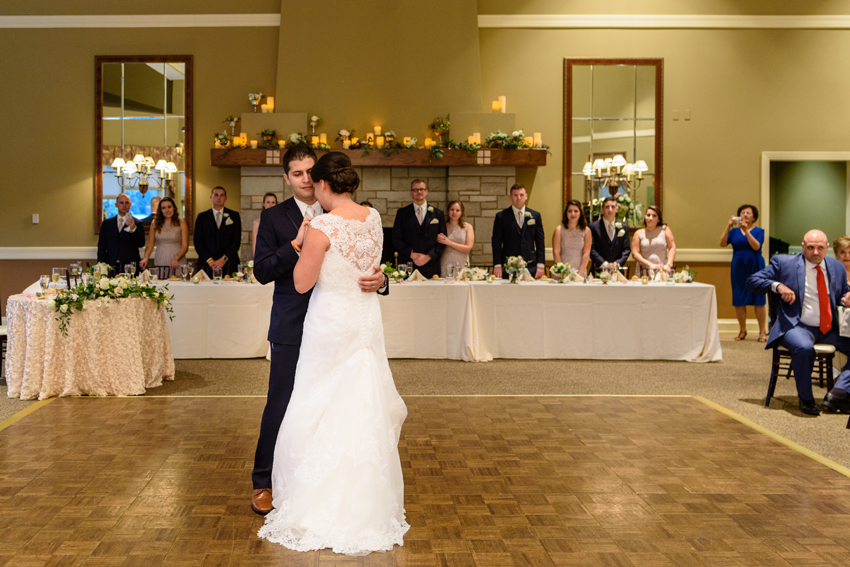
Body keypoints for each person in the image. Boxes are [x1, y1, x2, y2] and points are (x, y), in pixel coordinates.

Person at [257, 152, 407, 555]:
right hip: (353, 324)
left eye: (311, 175)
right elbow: (263, 269)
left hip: (328, 325)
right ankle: (274, 484)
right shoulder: (372, 217)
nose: (306, 181)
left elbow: (306, 282)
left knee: (316, 404)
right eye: (297, 173)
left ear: (323, 183)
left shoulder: (322, 224)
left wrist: (381, 278)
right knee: (350, 403)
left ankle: (316, 497)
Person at [747, 230, 850, 416]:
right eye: (810, 247)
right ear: (803, 247)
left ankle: (838, 393)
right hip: (796, 326)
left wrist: (847, 297)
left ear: (827, 248)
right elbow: (753, 280)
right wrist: (777, 286)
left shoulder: (837, 267)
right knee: (804, 348)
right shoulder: (784, 263)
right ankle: (807, 399)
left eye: (820, 248)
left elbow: (842, 295)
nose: (815, 252)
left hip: (829, 328)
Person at [720, 204, 767, 341]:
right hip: (738, 266)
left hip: (755, 265)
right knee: (739, 298)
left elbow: (756, 246)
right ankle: (742, 330)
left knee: (758, 299)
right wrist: (728, 227)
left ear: (754, 217)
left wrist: (747, 231)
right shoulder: (734, 232)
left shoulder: (759, 231)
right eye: (742, 212)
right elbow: (722, 243)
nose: (745, 214)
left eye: (748, 213)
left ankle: (762, 332)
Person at [391, 179, 446, 279]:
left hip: (431, 265)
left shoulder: (438, 214)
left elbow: (443, 240)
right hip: (408, 265)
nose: (419, 192)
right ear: (411, 193)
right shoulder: (402, 213)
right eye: (416, 190)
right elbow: (396, 238)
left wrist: (428, 257)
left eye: (421, 189)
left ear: (426, 191)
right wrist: (411, 254)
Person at [492, 183, 545, 279]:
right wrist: (497, 264)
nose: (518, 198)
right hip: (508, 266)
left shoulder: (535, 216)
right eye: (515, 195)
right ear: (510, 197)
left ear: (526, 196)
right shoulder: (501, 216)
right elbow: (496, 242)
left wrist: (540, 264)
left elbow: (540, 242)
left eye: (521, 195)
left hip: (531, 265)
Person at [193, 186, 242, 277]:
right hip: (207, 264)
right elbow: (197, 241)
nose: (218, 198)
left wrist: (224, 258)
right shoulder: (202, 217)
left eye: (221, 195)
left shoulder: (234, 216)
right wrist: (210, 260)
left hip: (229, 263)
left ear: (225, 198)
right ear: (211, 197)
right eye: (216, 195)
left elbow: (236, 241)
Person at [97, 193, 146, 274]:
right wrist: (101, 265)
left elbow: (141, 243)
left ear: (130, 205)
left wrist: (134, 229)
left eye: (127, 203)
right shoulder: (107, 223)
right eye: (121, 202)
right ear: (116, 204)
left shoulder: (138, 223)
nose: (124, 205)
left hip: (130, 266)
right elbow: (101, 246)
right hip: (111, 264)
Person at [140, 197, 188, 274]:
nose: (167, 210)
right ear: (161, 210)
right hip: (160, 258)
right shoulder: (154, 223)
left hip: (177, 260)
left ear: (174, 208)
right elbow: (150, 244)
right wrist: (146, 258)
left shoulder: (181, 223)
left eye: (169, 207)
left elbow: (185, 246)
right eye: (163, 208)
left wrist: (176, 258)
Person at [588, 196, 631, 273]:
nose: (610, 209)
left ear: (616, 209)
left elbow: (626, 250)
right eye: (607, 207)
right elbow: (591, 249)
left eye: (613, 207)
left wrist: (616, 264)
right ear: (602, 209)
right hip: (598, 270)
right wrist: (604, 264)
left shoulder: (623, 228)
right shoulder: (593, 227)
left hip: (617, 271)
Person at [632, 206, 676, 277]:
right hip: (644, 270)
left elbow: (672, 248)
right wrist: (649, 264)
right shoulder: (638, 233)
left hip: (662, 269)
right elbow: (635, 253)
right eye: (648, 215)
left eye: (654, 216)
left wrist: (668, 264)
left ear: (658, 219)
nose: (650, 218)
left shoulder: (665, 230)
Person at [552, 199, 591, 277]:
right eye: (570, 211)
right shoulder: (559, 230)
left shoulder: (586, 231)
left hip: (580, 270)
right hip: (562, 270)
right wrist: (562, 272)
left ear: (580, 213)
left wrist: (580, 273)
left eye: (576, 211)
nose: (573, 214)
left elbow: (586, 253)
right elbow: (556, 252)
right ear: (566, 213)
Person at [438, 200, 475, 276]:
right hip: (446, 262)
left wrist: (450, 243)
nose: (454, 212)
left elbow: (468, 248)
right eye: (452, 209)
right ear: (448, 211)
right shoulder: (442, 226)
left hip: (462, 262)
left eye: (457, 210)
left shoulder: (467, 227)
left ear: (461, 213)